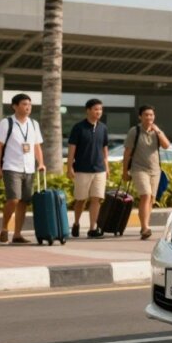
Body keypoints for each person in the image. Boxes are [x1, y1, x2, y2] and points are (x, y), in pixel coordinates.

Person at [0, 93, 45, 244]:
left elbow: (36, 146)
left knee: (24, 202)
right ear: (15, 106)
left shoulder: (34, 124)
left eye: (29, 104)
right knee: (14, 199)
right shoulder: (6, 123)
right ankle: (4, 228)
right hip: (11, 167)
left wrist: (40, 162)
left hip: (29, 168)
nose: (27, 107)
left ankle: (17, 234)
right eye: (24, 104)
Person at [123, 105, 171, 239]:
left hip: (155, 170)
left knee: (151, 200)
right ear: (140, 117)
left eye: (151, 115)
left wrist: (158, 131)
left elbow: (167, 146)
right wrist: (124, 171)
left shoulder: (157, 131)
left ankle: (145, 225)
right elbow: (127, 153)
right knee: (146, 195)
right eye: (146, 115)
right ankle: (145, 227)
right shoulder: (134, 131)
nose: (149, 117)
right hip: (139, 169)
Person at [67, 99, 109, 239]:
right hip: (82, 169)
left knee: (96, 199)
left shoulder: (103, 128)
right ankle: (77, 223)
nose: (99, 112)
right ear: (88, 110)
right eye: (96, 109)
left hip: (99, 170)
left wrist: (106, 167)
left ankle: (92, 228)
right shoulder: (78, 128)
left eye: (100, 109)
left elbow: (104, 148)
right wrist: (69, 167)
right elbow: (72, 148)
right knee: (81, 199)